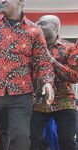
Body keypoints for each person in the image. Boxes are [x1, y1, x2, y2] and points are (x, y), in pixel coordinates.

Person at [0, 0, 56, 149]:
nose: (2, 1)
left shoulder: (34, 30)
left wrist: (48, 82)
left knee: (21, 136)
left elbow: (43, 61)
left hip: (21, 93)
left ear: (20, 2)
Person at [30, 15, 78, 150]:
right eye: (37, 23)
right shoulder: (32, 49)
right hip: (37, 103)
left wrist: (50, 60)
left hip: (64, 102)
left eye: (43, 23)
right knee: (31, 140)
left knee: (67, 142)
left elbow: (74, 77)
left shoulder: (70, 47)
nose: (38, 26)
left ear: (55, 27)